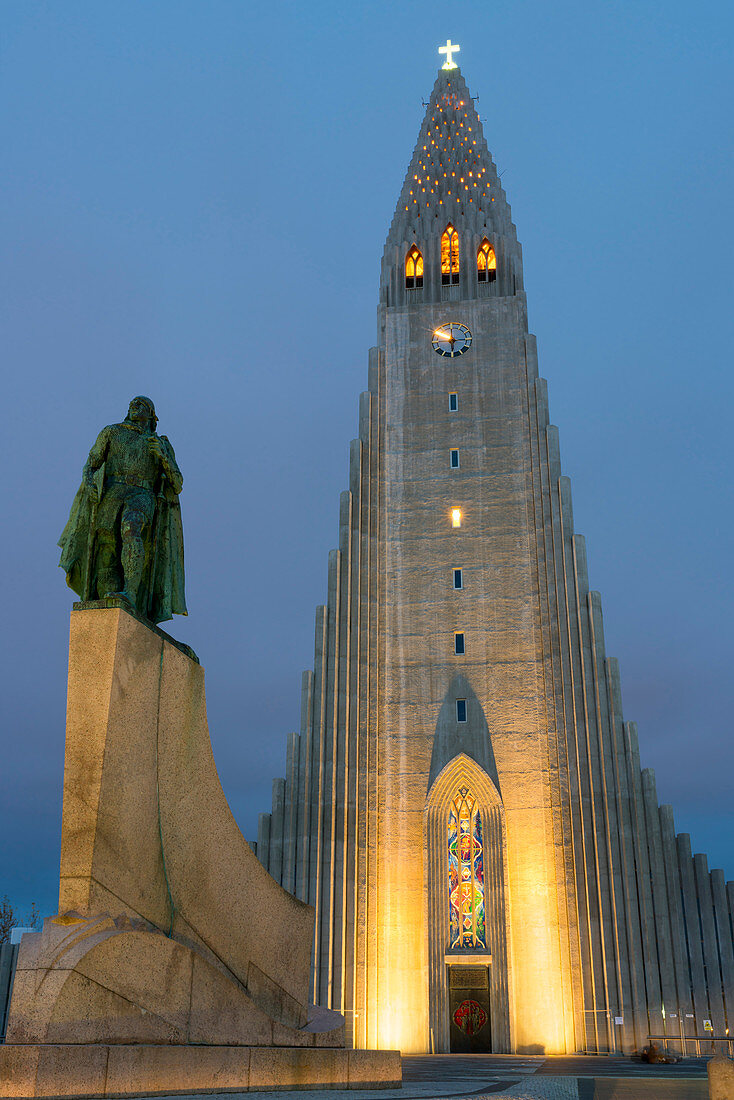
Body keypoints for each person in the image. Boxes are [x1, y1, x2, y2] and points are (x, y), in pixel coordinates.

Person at [58, 396, 186, 623]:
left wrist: (164, 457)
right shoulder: (111, 432)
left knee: (131, 528)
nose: (134, 406)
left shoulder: (160, 442)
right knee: (107, 545)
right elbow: (91, 464)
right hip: (113, 491)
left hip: (142, 493)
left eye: (140, 404)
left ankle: (131, 593)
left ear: (152, 415)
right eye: (132, 404)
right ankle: (109, 593)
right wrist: (89, 483)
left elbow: (177, 483)